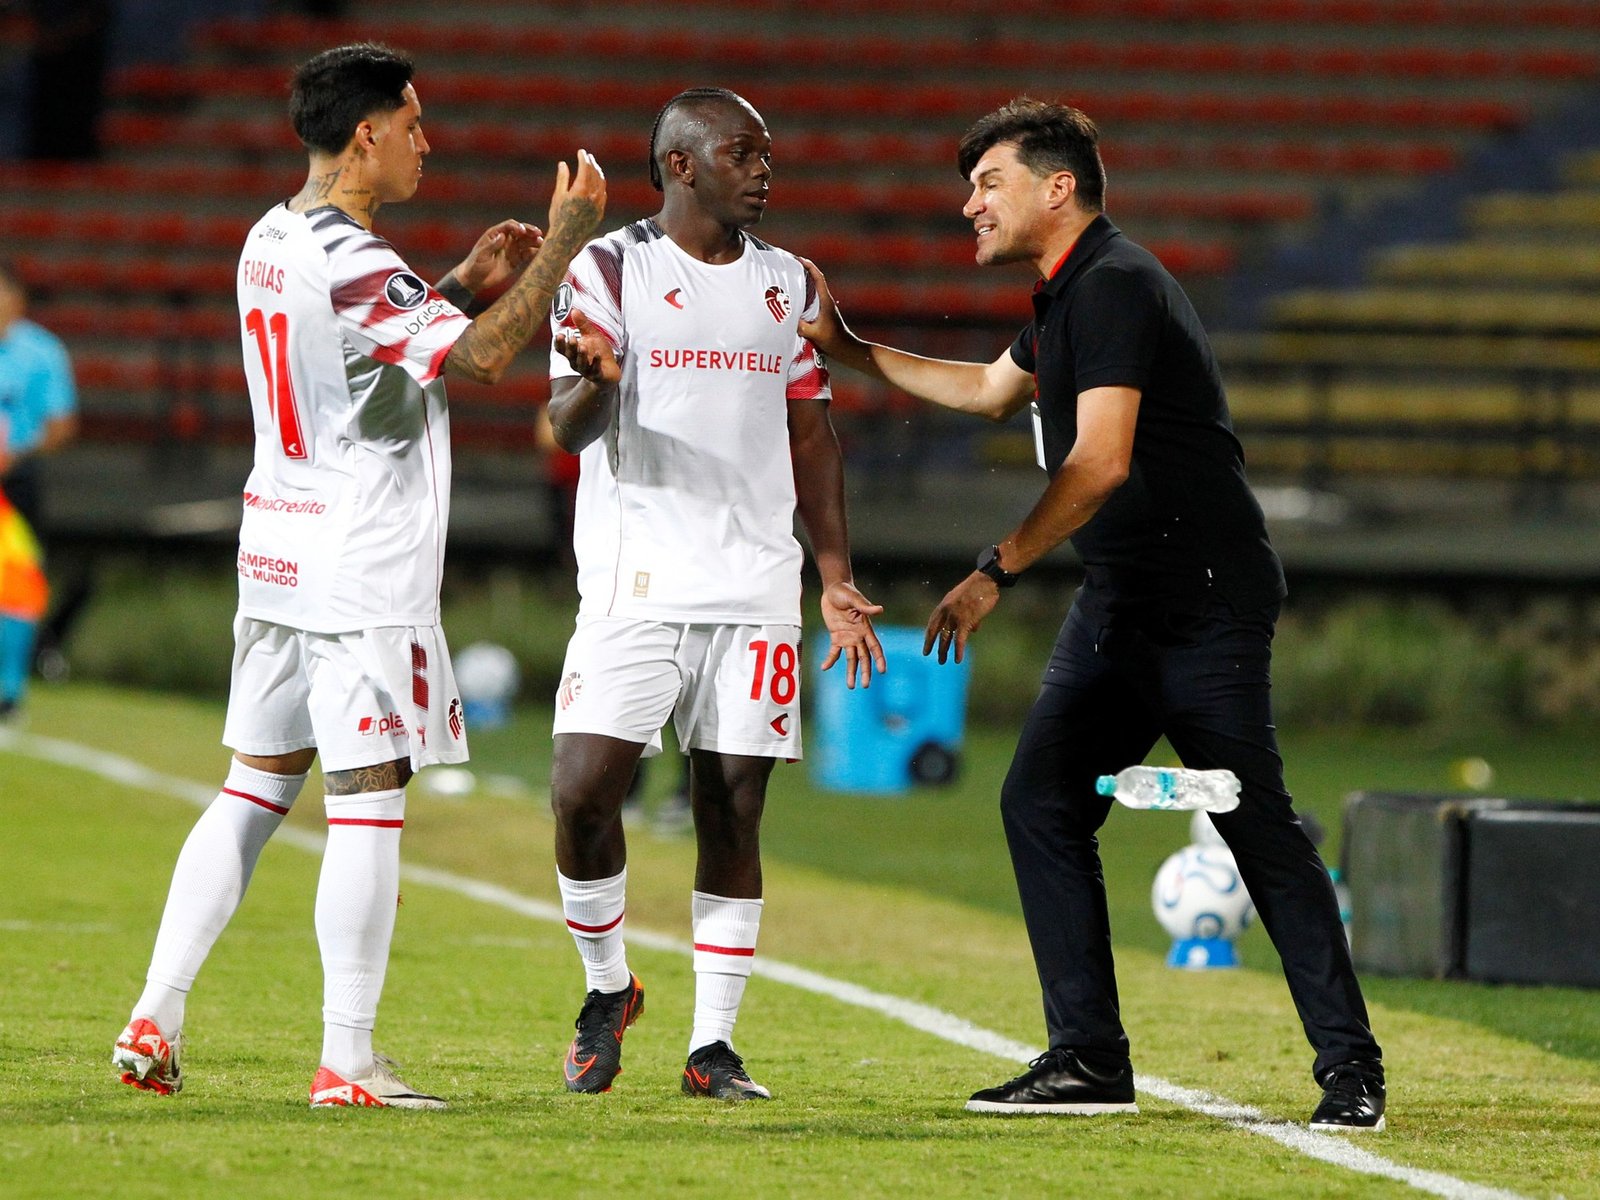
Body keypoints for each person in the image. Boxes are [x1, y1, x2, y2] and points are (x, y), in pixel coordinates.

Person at [799, 99, 1385, 1132]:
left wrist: (996, 567)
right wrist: (847, 348)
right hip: (1124, 601)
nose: (967, 204)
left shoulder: (1114, 284)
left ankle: (1351, 1071)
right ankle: (1086, 1060)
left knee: (1253, 822)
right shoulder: (1067, 293)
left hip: (1199, 602)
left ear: (1055, 186)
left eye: (988, 183)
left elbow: (1099, 462)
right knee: (1041, 802)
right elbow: (988, 390)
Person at [111, 42, 607, 1109]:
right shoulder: (355, 259)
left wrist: (460, 284)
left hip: (279, 545)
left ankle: (156, 1009)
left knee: (254, 785)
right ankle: (348, 1059)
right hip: (359, 562)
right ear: (368, 133)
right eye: (416, 124)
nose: (428, 143)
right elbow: (474, 365)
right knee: (370, 797)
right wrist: (562, 248)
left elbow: (362, 351)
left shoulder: (269, 237)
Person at [546, 87, 884, 1102]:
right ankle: (608, 990)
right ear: (682, 165)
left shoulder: (792, 284)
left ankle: (713, 1046)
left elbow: (811, 434)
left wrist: (832, 576)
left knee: (732, 806)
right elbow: (565, 428)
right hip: (635, 579)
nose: (764, 169)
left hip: (752, 586)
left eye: (768, 153)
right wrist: (598, 379)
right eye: (743, 152)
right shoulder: (609, 268)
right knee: (581, 788)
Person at [0, 257, 76, 717]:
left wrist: (20, 451)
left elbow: (62, 424)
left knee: (18, 583)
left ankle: (9, 688)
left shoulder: (41, 353)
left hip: (16, 482)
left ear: (18, 300)